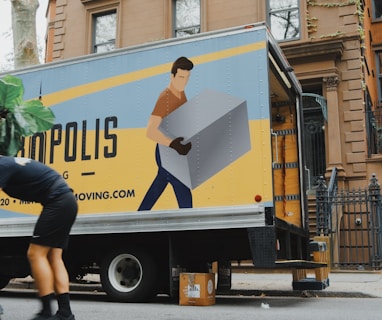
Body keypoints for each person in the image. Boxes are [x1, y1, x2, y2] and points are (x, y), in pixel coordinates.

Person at [0, 156, 78, 320]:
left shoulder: (1, 165)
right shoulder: (7, 162)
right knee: (54, 257)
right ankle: (65, 312)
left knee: (35, 254)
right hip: (67, 201)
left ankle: (45, 311)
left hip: (57, 201)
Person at [138, 56, 194, 211]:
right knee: (181, 185)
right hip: (166, 150)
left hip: (175, 149)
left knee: (161, 181)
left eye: (187, 77)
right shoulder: (166, 97)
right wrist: (173, 144)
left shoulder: (181, 94)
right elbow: (150, 130)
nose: (184, 81)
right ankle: (191, 222)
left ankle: (140, 214)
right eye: (181, 77)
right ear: (172, 76)